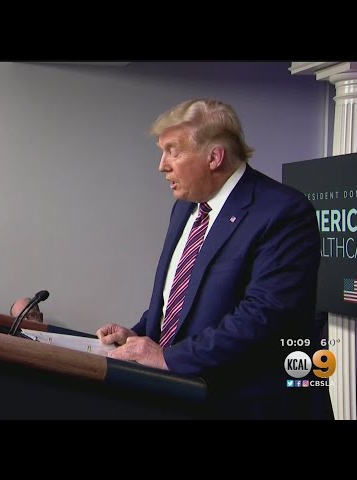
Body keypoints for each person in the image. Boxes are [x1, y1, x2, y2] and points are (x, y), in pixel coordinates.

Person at [96, 98, 332, 420]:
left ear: (214, 157)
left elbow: (263, 315)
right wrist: (139, 336)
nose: (162, 165)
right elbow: (182, 297)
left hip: (247, 405)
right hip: (179, 397)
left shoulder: (283, 212)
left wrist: (169, 358)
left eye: (173, 151)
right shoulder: (185, 208)